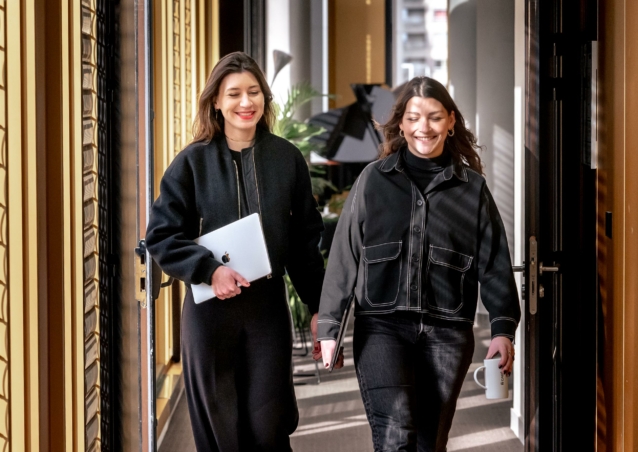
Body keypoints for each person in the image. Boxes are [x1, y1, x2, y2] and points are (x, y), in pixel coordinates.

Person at [316, 76, 521, 451]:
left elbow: (494, 264)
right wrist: (329, 329)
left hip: (447, 333)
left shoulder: (472, 189)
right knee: (395, 437)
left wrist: (502, 329)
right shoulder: (373, 181)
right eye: (413, 118)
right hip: (382, 328)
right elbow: (344, 255)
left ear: (451, 122)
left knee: (430, 443)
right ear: (401, 124)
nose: (423, 127)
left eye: (434, 117)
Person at [146, 51, 325, 451]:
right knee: (219, 431)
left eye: (254, 92)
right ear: (216, 102)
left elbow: (303, 243)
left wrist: (318, 306)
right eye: (234, 94)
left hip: (266, 311)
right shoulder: (191, 163)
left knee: (269, 425)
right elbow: (161, 236)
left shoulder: (286, 159)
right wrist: (209, 270)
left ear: (265, 98)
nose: (246, 103)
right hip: (209, 313)